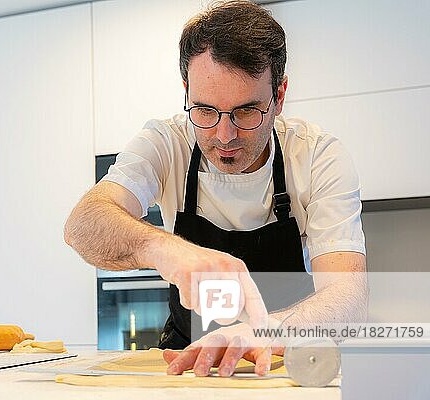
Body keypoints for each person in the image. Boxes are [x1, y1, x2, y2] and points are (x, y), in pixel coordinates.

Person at [64, 0, 367, 377]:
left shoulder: (318, 155)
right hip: (183, 364)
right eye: (205, 110)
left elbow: (349, 299)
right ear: (187, 91)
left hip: (279, 362)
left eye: (246, 111)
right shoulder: (166, 141)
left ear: (280, 95)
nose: (224, 136)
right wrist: (162, 247)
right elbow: (81, 226)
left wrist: (269, 329)